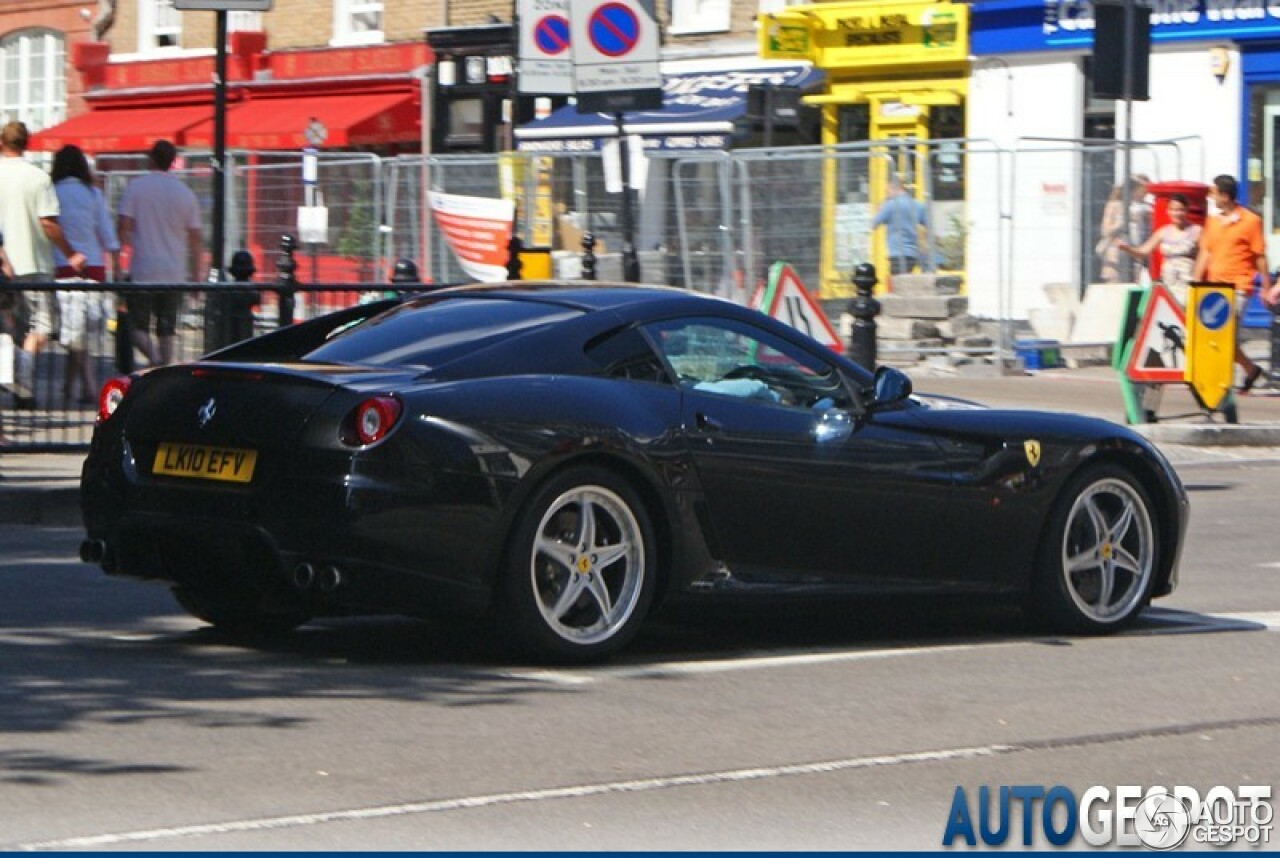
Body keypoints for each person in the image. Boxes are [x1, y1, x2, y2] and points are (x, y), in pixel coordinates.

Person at [0, 121, 86, 406]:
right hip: (34, 263)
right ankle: (23, 380)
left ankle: (11, 379)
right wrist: (71, 253)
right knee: (42, 326)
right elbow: (48, 223)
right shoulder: (38, 178)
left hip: (4, 267)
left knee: (11, 328)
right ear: (27, 143)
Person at [117, 139, 203, 366]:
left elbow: (122, 227)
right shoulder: (185, 193)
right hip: (174, 271)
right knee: (167, 329)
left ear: (151, 158)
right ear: (172, 161)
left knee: (137, 327)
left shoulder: (136, 187)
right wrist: (196, 276)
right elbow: (196, 239)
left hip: (143, 268)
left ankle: (154, 360)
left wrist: (122, 256)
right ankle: (164, 369)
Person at [1193, 174, 1280, 393]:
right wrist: (1195, 280)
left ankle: (1223, 381)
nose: (1211, 196)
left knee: (1225, 337)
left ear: (1224, 195)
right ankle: (1249, 369)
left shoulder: (1251, 221)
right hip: (1212, 288)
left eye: (1214, 192)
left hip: (1238, 287)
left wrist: (1266, 286)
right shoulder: (1212, 222)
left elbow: (1259, 256)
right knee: (1213, 336)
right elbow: (1205, 252)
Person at [51, 144, 120, 405]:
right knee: (82, 332)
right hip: (94, 266)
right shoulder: (93, 194)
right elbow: (108, 236)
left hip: (64, 266)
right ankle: (71, 386)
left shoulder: (53, 192)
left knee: (73, 330)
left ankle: (90, 387)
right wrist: (116, 270)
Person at [1116, 192, 1201, 305]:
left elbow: (1205, 255)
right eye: (1173, 210)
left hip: (1188, 284)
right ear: (1168, 211)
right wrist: (1127, 248)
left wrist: (1197, 278)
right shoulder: (1163, 232)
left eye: (1180, 210)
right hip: (1168, 284)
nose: (1177, 213)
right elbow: (1143, 251)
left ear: (1186, 210)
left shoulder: (1197, 231)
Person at [872, 175, 928, 275]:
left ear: (892, 188)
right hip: (912, 253)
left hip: (896, 253)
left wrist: (879, 209)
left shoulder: (890, 205)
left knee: (898, 284)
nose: (887, 194)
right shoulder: (917, 205)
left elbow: (874, 224)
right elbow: (929, 225)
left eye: (887, 191)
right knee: (906, 280)